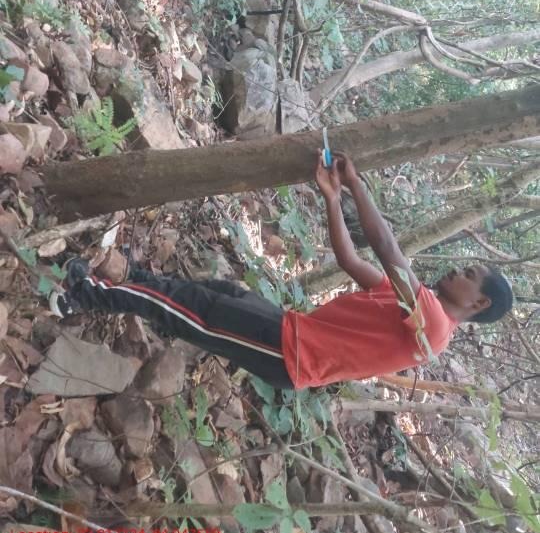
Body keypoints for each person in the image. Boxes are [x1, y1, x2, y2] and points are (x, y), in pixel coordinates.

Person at [49, 152, 513, 389]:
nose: (457, 270)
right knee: (220, 293)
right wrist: (333, 198)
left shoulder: (435, 326)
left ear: (479, 302)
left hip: (289, 354)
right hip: (289, 332)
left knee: (192, 312)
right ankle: (134, 279)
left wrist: (357, 184)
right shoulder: (417, 308)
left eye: (469, 273)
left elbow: (387, 248)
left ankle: (80, 295)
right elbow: (352, 261)